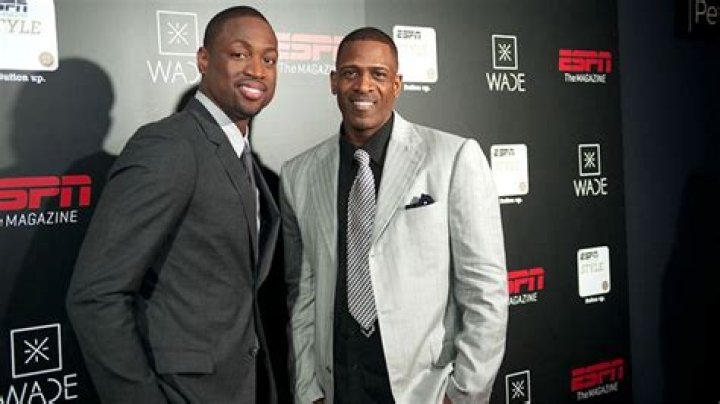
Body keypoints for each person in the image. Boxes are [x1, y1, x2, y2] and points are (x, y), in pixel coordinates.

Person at [280, 27, 508, 404]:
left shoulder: (453, 158)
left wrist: (464, 394)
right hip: (338, 387)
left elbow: (485, 291)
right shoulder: (298, 175)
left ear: (397, 84)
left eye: (378, 74)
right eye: (350, 73)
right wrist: (308, 390)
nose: (363, 85)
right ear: (333, 82)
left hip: (425, 390)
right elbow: (302, 293)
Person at [65, 6, 280, 403]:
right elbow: (96, 295)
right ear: (203, 59)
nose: (257, 70)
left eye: (269, 60)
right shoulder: (169, 145)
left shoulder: (246, 160)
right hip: (183, 391)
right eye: (239, 54)